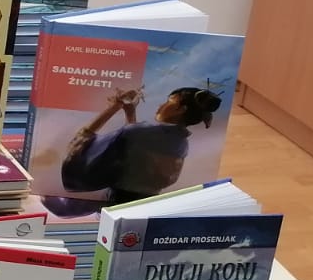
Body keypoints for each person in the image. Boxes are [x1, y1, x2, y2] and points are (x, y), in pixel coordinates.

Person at [58, 85, 224, 208]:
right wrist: (130, 113)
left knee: (58, 205)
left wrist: (114, 107)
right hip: (146, 203)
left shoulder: (143, 132)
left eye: (168, 101)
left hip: (116, 203)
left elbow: (81, 141)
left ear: (180, 109)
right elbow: (136, 147)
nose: (161, 105)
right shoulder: (180, 142)